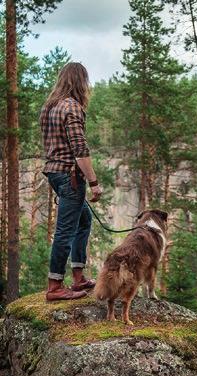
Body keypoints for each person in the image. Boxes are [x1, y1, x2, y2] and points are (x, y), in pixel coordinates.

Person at [40, 62, 102, 301]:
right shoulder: (72, 107)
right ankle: (55, 285)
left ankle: (78, 277)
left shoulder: (49, 107)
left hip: (55, 174)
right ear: (80, 82)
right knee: (65, 231)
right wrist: (94, 182)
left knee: (84, 220)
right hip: (70, 176)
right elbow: (80, 149)